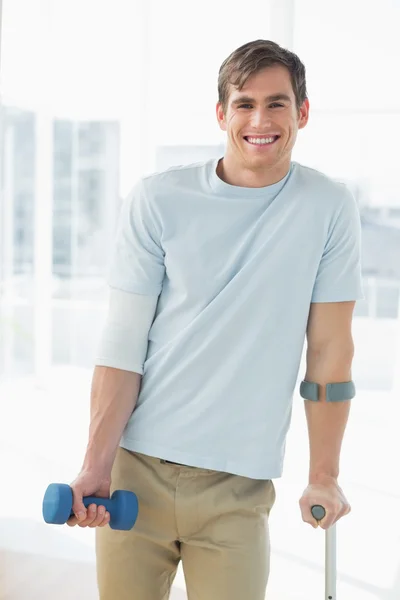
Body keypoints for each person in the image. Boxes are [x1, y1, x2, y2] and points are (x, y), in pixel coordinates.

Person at [67, 39, 364, 599]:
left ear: (302, 112)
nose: (260, 120)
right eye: (244, 103)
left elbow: (330, 353)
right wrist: (95, 465)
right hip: (137, 472)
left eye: (277, 104)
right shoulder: (159, 199)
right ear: (222, 113)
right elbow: (123, 342)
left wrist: (324, 473)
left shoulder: (328, 206)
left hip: (238, 486)